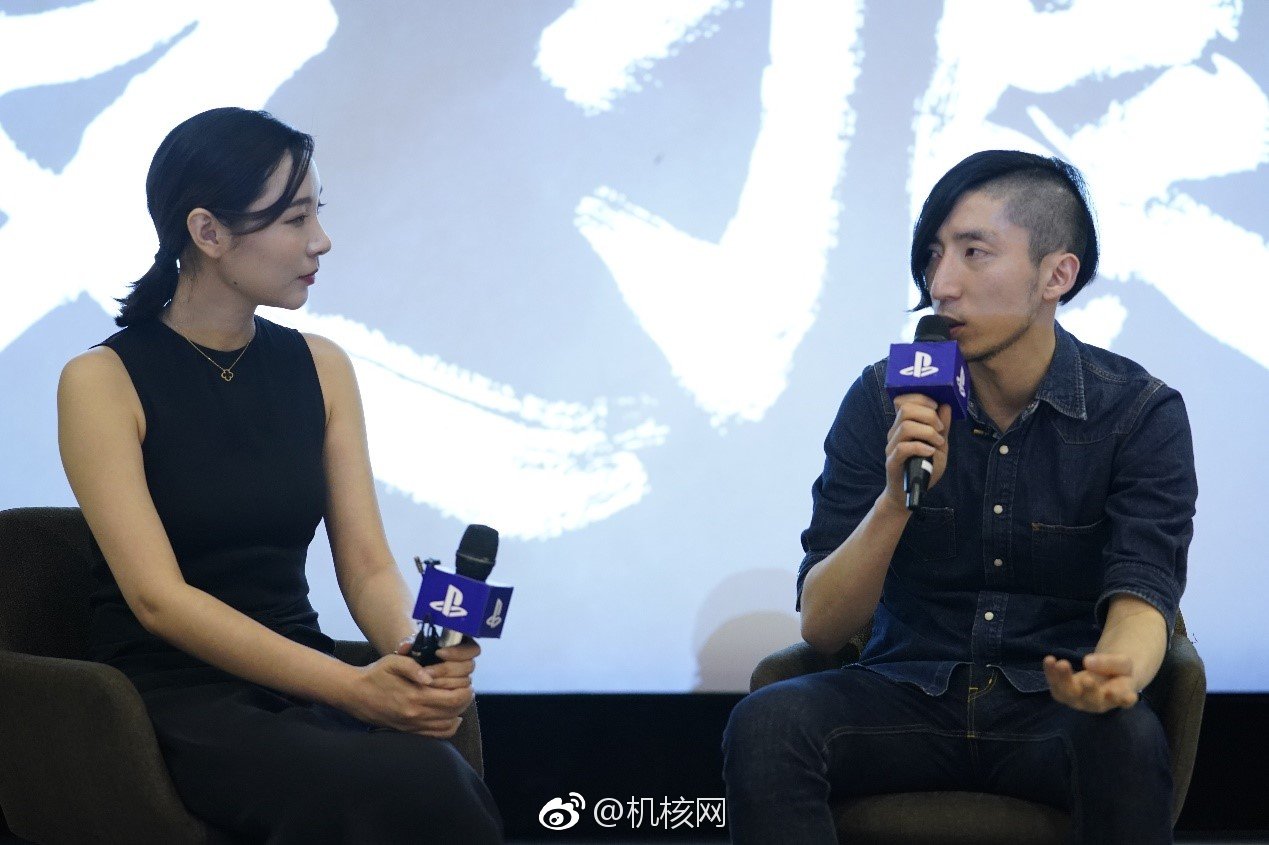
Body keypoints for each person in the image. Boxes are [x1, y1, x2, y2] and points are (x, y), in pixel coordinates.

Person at [723, 150, 1197, 844]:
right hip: (901, 695)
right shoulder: (881, 397)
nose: (940, 285)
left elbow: (1142, 592)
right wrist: (895, 499)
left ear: (1056, 275)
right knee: (768, 723)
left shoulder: (1137, 413)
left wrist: (1114, 675)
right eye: (933, 256)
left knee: (1124, 738)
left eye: (975, 253)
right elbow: (822, 626)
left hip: (1051, 707)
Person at [57, 107, 503, 843]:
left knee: (434, 775)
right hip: (174, 697)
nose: (320, 240)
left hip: (303, 676)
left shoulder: (322, 365)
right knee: (409, 785)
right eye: (295, 219)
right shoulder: (101, 380)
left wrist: (412, 657)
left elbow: (368, 565)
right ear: (208, 232)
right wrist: (353, 689)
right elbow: (159, 600)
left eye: (317, 213)